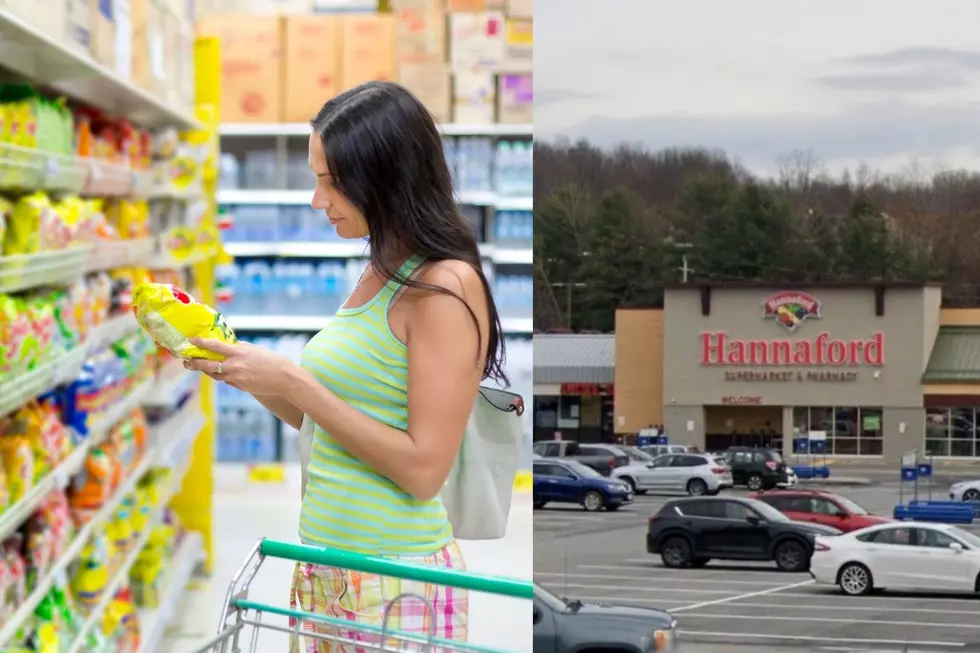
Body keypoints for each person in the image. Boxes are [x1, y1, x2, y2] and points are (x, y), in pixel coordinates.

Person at [184, 81, 507, 652]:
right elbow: (330, 424)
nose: (317, 200)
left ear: (384, 177)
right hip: (324, 569)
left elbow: (423, 469)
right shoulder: (378, 269)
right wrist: (241, 370)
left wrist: (298, 383)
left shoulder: (444, 285)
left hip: (396, 581)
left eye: (330, 182)